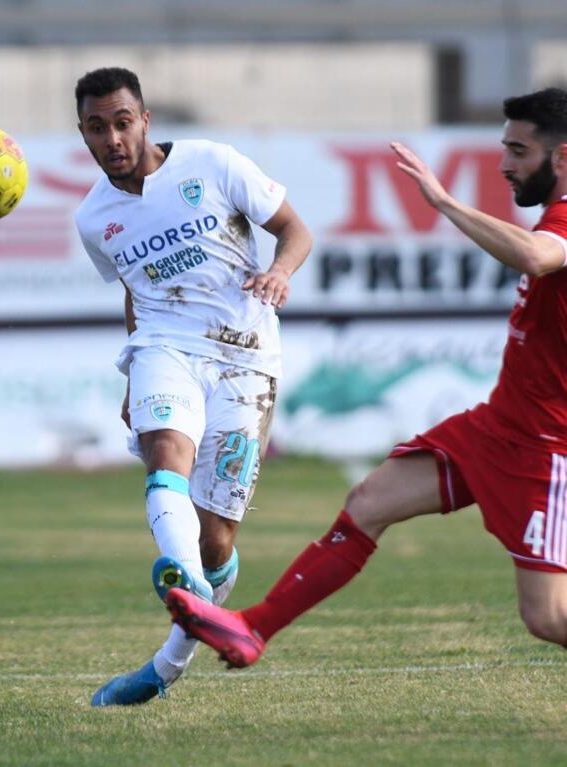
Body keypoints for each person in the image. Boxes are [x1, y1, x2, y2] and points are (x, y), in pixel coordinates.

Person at [166, 86, 567, 669]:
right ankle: (252, 629)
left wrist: (444, 202)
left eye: (518, 151)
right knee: (370, 501)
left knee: (548, 617)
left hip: (545, 449)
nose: (505, 164)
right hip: (497, 428)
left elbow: (536, 257)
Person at [73, 67, 313, 704]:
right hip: (163, 348)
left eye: (123, 122)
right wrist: (133, 371)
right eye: (98, 128)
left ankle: (165, 667)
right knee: (165, 456)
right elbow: (136, 287)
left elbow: (295, 230)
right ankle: (182, 581)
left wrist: (281, 273)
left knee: (217, 540)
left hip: (247, 359)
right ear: (85, 135)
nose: (113, 138)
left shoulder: (213, 163)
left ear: (145, 120)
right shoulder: (94, 218)